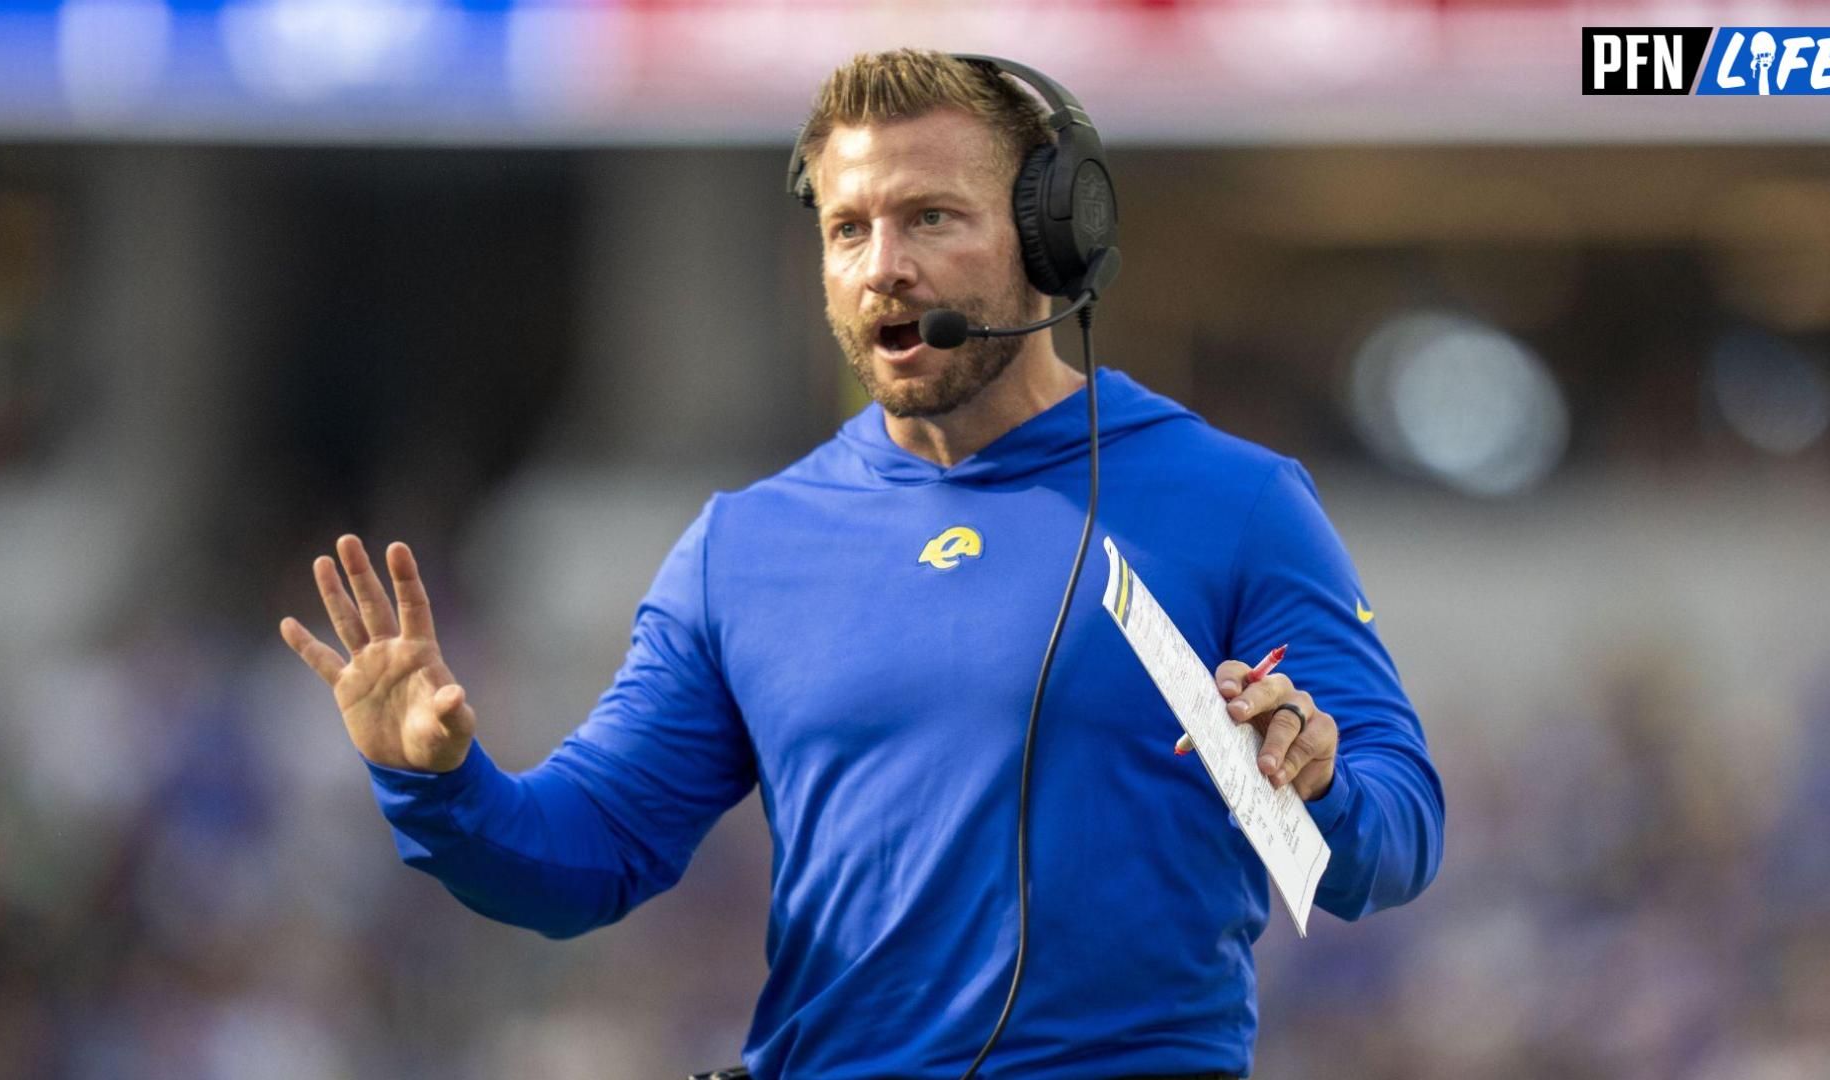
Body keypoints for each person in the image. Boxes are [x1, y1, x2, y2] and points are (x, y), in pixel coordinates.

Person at [279, 50, 1444, 1080]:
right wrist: (436, 783)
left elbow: (1397, 841)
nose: (882, 265)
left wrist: (1317, 781)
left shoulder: (1234, 502)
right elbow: (582, 861)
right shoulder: (745, 547)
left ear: (1051, 239)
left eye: (932, 217)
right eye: (850, 228)